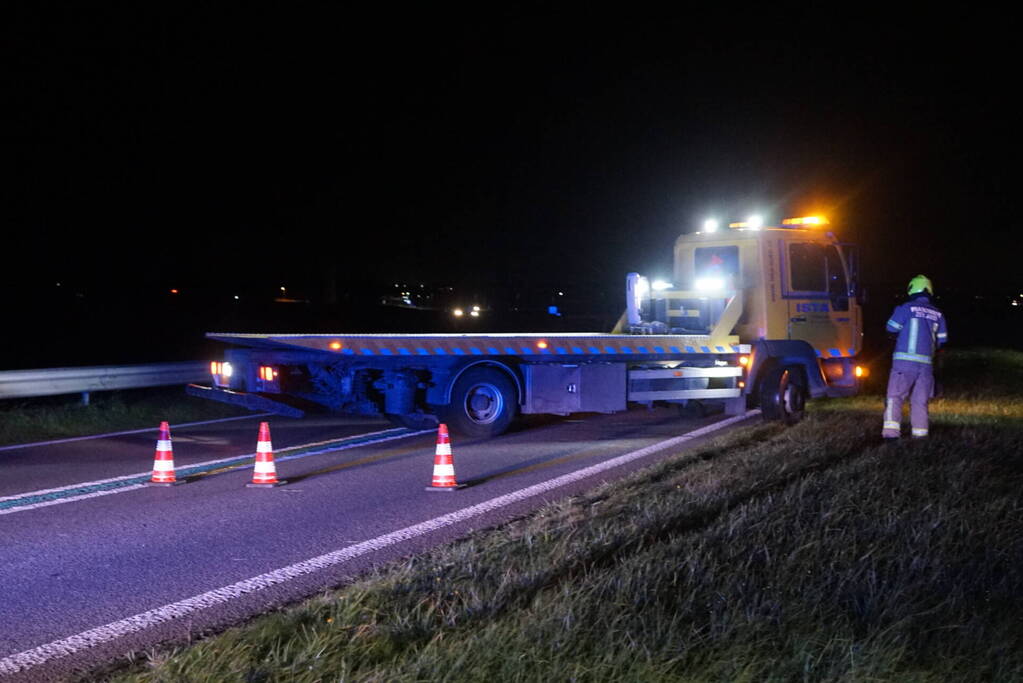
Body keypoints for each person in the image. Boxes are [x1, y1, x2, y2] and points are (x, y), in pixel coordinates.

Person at [882, 275, 948, 440]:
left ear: (912, 288)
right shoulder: (938, 314)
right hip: (926, 366)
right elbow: (942, 340)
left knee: (895, 398)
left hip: (904, 364)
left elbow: (891, 328)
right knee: (920, 402)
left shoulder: (906, 308)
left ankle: (891, 435)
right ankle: (920, 436)